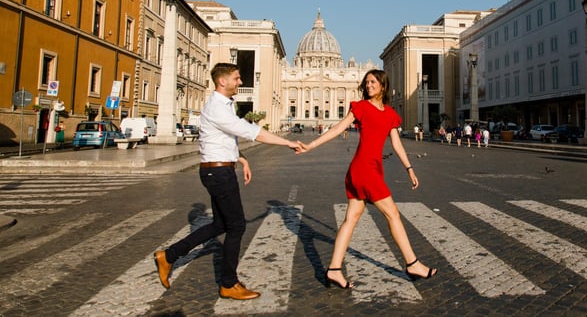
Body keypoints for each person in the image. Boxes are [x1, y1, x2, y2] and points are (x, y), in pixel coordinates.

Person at [153, 63, 301, 301]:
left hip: (219, 170)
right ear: (223, 81)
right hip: (218, 174)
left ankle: (168, 256)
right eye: (237, 78)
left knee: (220, 225)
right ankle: (228, 284)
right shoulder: (217, 107)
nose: (240, 82)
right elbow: (250, 131)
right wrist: (288, 143)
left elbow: (223, 138)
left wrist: (241, 159)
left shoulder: (223, 106)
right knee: (237, 226)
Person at [298, 69, 437, 289]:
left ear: (383, 86)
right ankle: (413, 263)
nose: (368, 85)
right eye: (367, 82)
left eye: (373, 82)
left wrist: (409, 168)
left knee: (351, 219)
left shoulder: (390, 114)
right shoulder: (360, 108)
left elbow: (397, 144)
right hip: (364, 170)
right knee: (392, 214)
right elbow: (337, 129)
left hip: (370, 169)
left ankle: (334, 269)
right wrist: (311, 145)